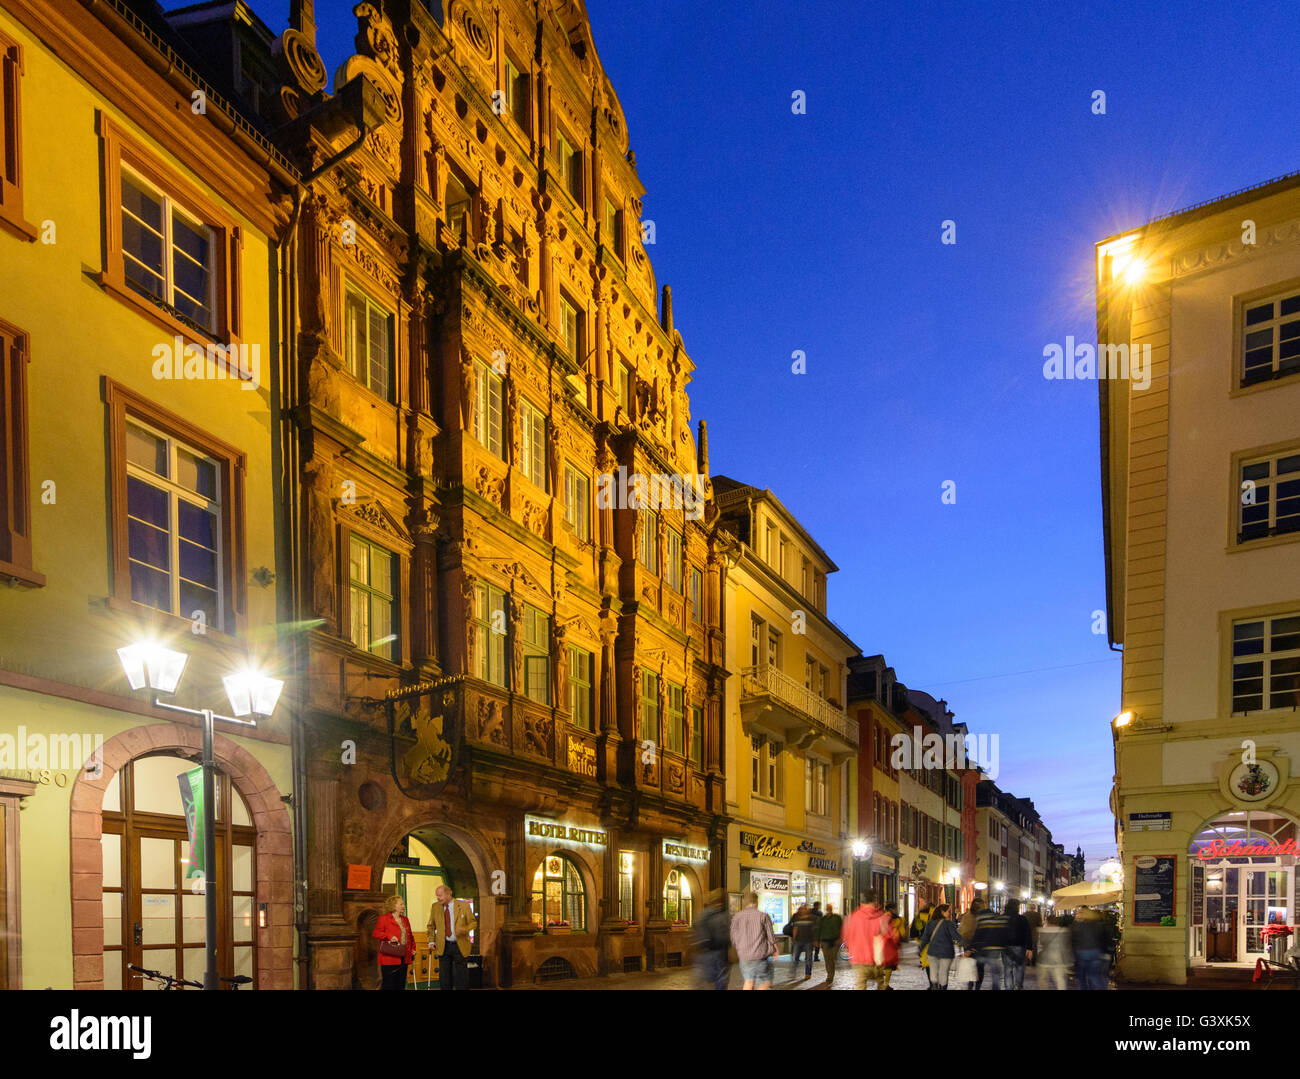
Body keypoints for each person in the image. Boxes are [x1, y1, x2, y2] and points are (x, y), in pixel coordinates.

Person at [427, 883, 476, 990]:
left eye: (440, 895)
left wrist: (465, 930)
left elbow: (473, 923)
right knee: (444, 977)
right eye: (437, 896)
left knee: (461, 976)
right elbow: (431, 926)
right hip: (443, 945)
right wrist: (431, 941)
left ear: (448, 894)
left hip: (460, 945)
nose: (438, 898)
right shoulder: (435, 907)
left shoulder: (463, 905)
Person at [731, 891, 778, 989]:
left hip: (744, 955)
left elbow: (733, 936)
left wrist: (739, 948)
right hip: (759, 955)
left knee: (748, 982)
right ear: (756, 901)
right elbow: (770, 935)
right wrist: (776, 949)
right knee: (767, 981)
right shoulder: (763, 916)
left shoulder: (737, 916)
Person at [843, 890, 889, 990]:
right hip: (878, 959)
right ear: (875, 901)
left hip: (859, 960)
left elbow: (846, 938)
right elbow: (888, 937)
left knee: (860, 986)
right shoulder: (881, 917)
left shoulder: (852, 918)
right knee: (881, 985)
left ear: (861, 901)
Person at [373, 894, 416, 990]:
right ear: (393, 905)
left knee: (401, 984)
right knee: (389, 985)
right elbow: (376, 933)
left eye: (403, 904)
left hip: (404, 957)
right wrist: (388, 936)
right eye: (401, 904)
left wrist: (413, 949)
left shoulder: (405, 919)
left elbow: (410, 936)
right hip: (389, 957)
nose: (403, 906)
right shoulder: (383, 919)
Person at [918, 903, 965, 989]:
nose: (950, 914)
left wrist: (920, 950)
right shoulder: (948, 924)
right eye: (948, 912)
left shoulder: (930, 923)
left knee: (933, 972)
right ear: (942, 912)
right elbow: (956, 937)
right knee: (943, 973)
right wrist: (964, 945)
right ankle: (942, 987)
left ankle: (934, 984)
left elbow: (925, 938)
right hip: (946, 953)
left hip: (932, 952)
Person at [693, 888, 731, 990]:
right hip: (718, 953)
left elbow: (696, 931)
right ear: (720, 901)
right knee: (720, 982)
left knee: (702, 983)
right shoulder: (722, 915)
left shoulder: (702, 914)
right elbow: (724, 936)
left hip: (702, 954)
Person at [971, 901, 1011, 990]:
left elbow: (977, 934)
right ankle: (995, 988)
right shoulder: (998, 918)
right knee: (995, 973)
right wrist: (1004, 946)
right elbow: (1004, 934)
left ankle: (976, 987)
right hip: (995, 948)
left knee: (979, 969)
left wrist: (970, 947)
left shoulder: (981, 918)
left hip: (982, 948)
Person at [1071, 905, 1112, 990]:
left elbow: (1073, 941)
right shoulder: (1098, 925)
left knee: (1081, 977)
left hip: (1081, 953)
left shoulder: (1077, 925)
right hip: (1095, 952)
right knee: (1095, 975)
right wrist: (1106, 952)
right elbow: (1103, 939)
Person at [1036, 915, 1073, 990]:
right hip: (1059, 960)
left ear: (1047, 921)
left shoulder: (1042, 931)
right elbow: (1066, 947)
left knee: (1043, 980)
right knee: (1060, 981)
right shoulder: (1064, 931)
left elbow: (1039, 946)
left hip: (1044, 959)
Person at [1002, 898, 1032, 990]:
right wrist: (1029, 948)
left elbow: (998, 932)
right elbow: (1028, 933)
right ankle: (1018, 986)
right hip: (1019, 946)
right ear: (1017, 907)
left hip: (1005, 946)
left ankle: (1009, 987)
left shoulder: (1002, 918)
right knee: (1019, 968)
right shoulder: (1022, 919)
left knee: (1008, 969)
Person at [959, 898, 984, 989]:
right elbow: (963, 932)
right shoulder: (979, 917)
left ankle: (972, 985)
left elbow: (962, 932)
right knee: (978, 967)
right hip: (977, 945)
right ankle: (975, 986)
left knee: (974, 966)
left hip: (971, 945)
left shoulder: (967, 916)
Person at [789, 903, 818, 980]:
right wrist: (794, 938)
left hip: (809, 941)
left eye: (805, 909)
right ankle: (793, 973)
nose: (804, 910)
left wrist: (815, 940)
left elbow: (814, 930)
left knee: (808, 958)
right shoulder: (797, 918)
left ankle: (808, 973)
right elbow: (795, 928)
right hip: (798, 941)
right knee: (795, 957)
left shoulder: (812, 918)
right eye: (802, 909)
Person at [817, 902, 843, 982]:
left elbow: (842, 928)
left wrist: (841, 938)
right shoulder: (823, 919)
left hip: (834, 941)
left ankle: (831, 974)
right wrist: (818, 941)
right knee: (827, 959)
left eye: (830, 907)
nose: (829, 908)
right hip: (825, 941)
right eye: (828, 907)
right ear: (826, 909)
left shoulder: (837, 918)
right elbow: (819, 930)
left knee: (832, 958)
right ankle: (830, 975)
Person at [879, 903, 902, 989]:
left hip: (884, 943)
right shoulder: (889, 918)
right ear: (891, 909)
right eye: (895, 908)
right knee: (888, 964)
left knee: (885, 964)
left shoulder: (883, 917)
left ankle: (884, 984)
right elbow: (890, 932)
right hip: (888, 944)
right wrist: (896, 940)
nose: (896, 910)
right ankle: (885, 984)